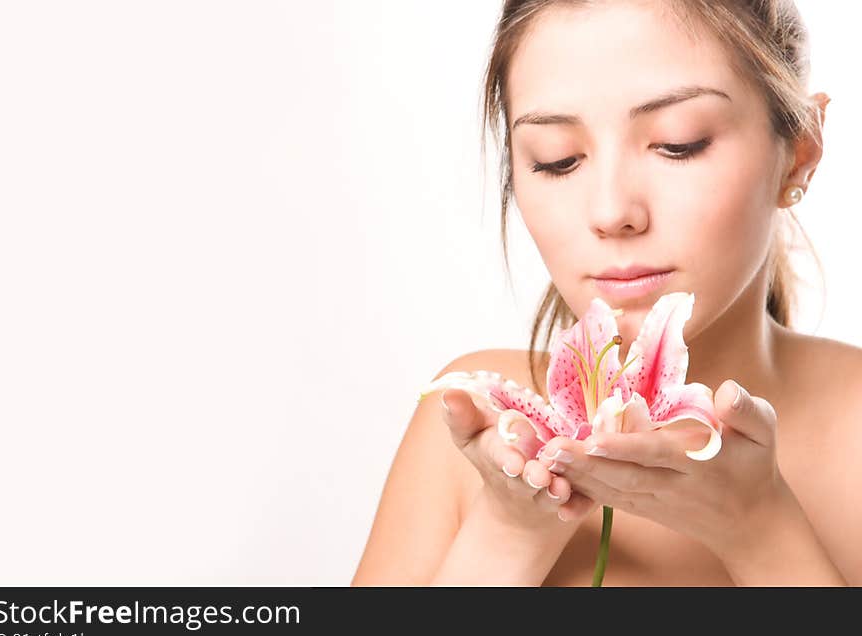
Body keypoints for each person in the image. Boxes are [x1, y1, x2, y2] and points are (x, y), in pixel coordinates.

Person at [351, 0, 860, 586]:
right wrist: (510, 532)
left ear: (800, 150)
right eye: (558, 160)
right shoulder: (480, 435)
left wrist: (760, 531)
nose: (612, 212)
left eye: (679, 143)